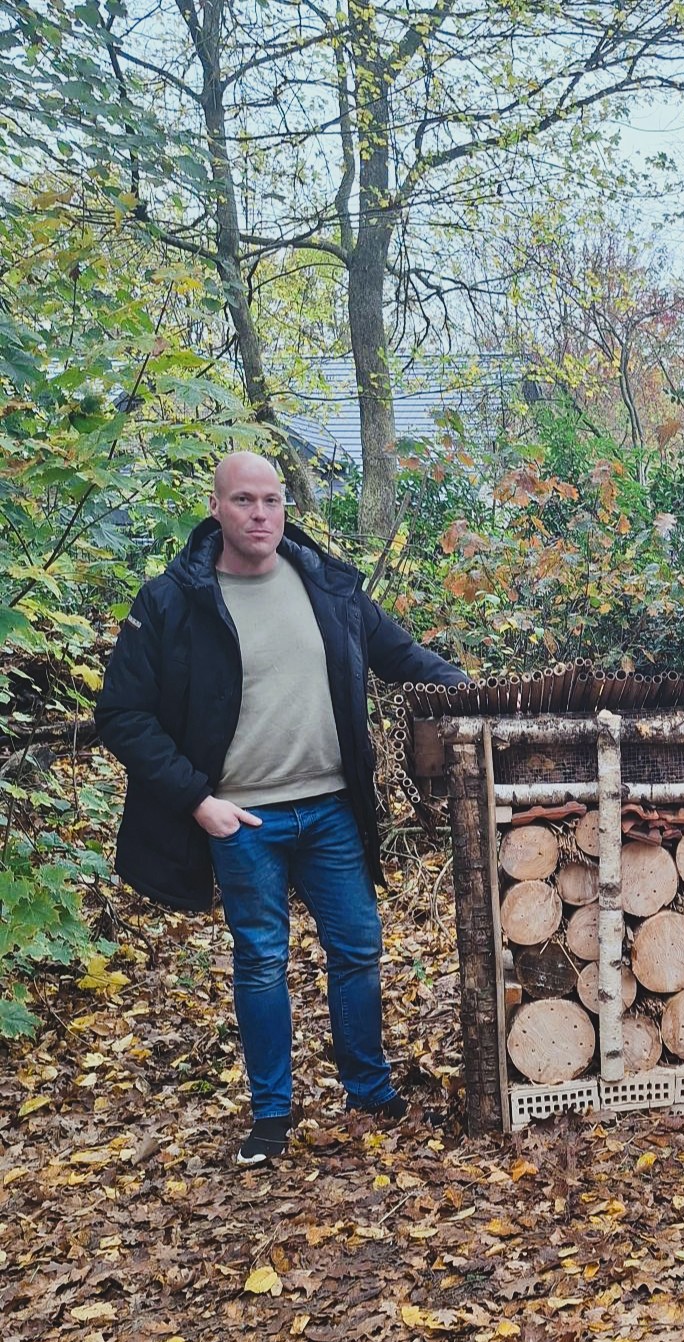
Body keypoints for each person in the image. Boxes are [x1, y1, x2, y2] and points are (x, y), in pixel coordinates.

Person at [97, 451, 468, 1168]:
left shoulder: (326, 587)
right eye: (244, 501)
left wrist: (481, 695)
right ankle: (271, 1114)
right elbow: (122, 714)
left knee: (358, 948)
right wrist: (200, 801)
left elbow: (403, 657)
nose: (260, 514)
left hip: (332, 810)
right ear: (216, 509)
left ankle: (368, 1088)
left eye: (271, 500)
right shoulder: (172, 601)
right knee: (262, 962)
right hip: (244, 819)